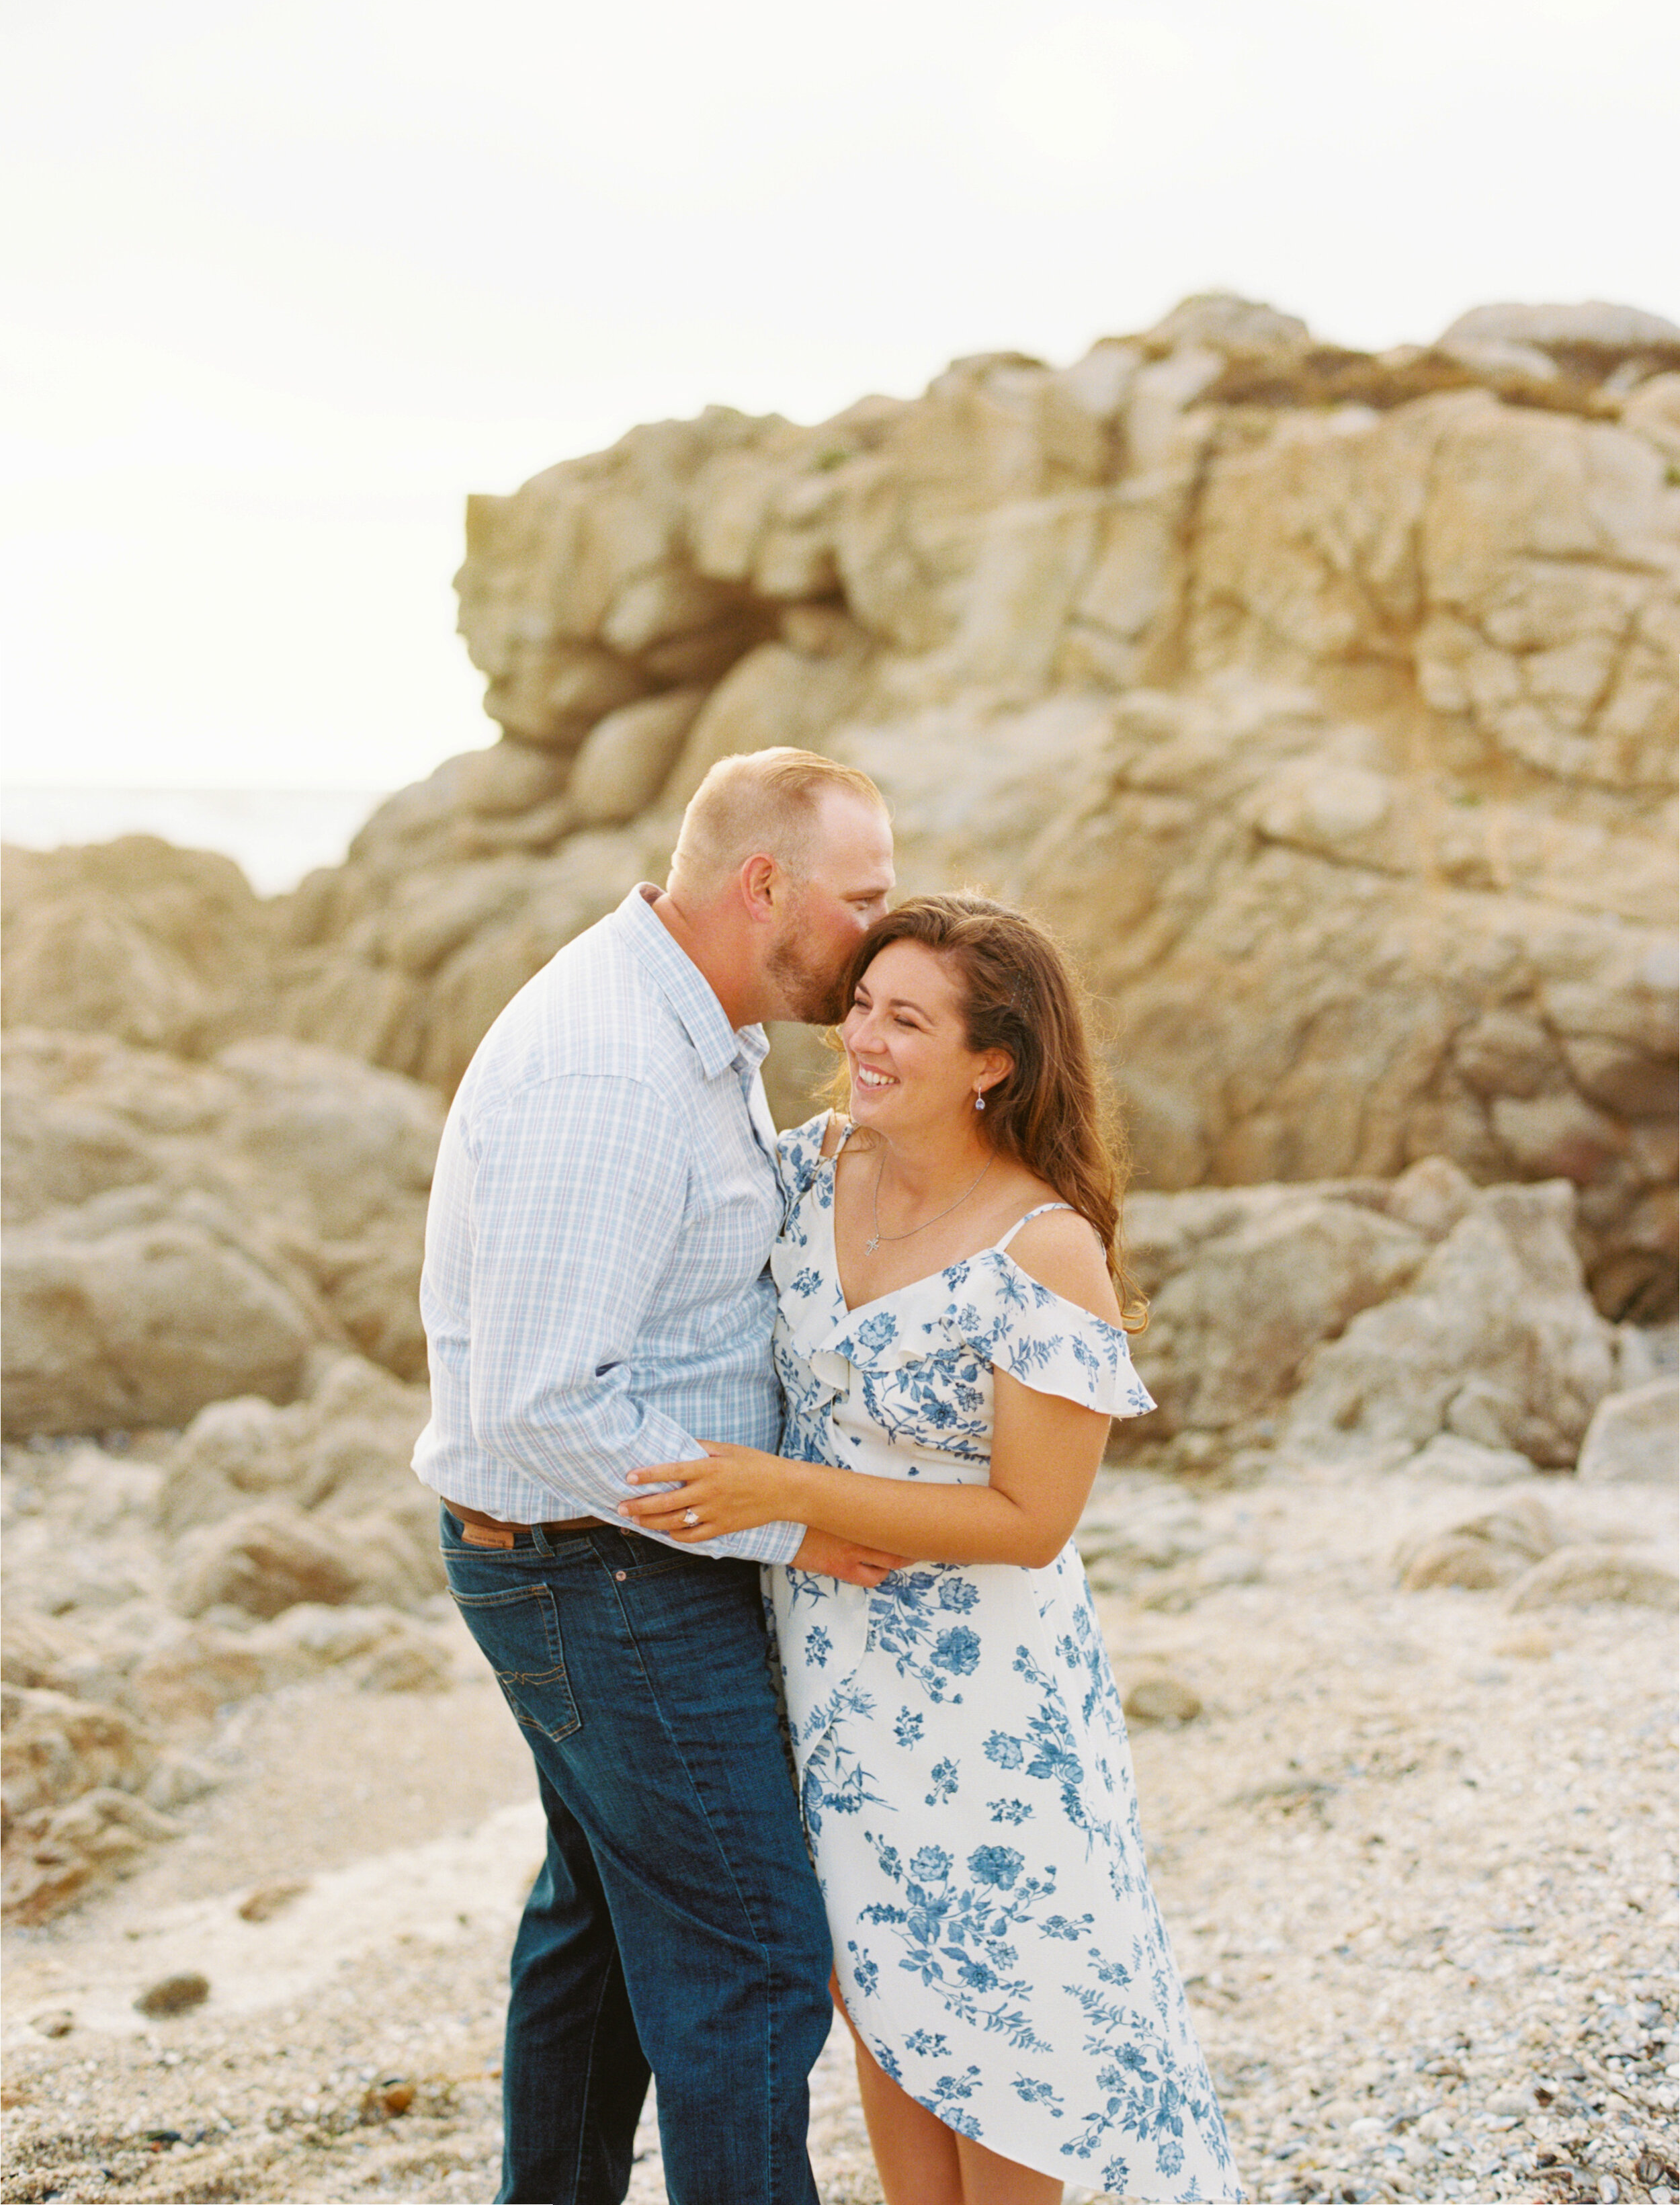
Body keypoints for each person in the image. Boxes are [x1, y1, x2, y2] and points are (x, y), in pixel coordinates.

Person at [621, 894, 1242, 2205]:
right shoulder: (803, 1175)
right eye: (859, 1007)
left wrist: (778, 1494)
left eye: (906, 1019)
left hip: (991, 1719)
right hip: (830, 1691)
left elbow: (1034, 1519)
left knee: (1010, 2037)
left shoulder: (1043, 1251)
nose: (864, 1038)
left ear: (992, 1061)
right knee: (891, 2016)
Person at [412, 747, 901, 2205]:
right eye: (864, 897)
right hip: (600, 1570)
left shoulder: (693, 1029)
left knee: (608, 1936)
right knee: (753, 1950)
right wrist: (791, 1522)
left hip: (594, 1559)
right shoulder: (607, 1063)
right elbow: (543, 1399)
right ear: (766, 885)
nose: (883, 927)